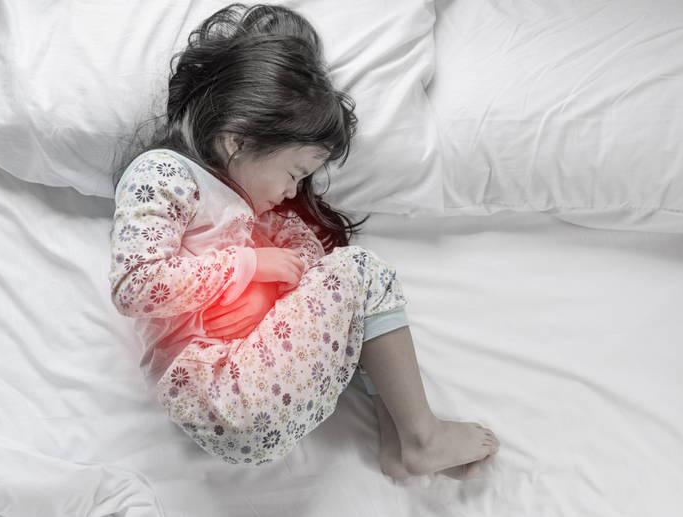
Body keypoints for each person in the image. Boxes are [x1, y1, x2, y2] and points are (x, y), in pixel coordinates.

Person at [108, 3, 499, 480]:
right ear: (237, 141)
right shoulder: (164, 174)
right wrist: (250, 267)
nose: (294, 191)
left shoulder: (246, 205)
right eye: (294, 173)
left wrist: (280, 261)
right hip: (216, 388)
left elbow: (309, 267)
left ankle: (400, 438)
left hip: (249, 382)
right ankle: (423, 436)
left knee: (350, 293)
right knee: (361, 272)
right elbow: (134, 285)